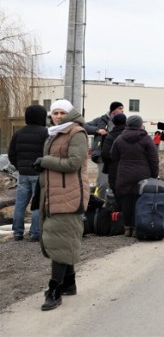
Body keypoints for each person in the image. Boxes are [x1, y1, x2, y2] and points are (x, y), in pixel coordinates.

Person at [36, 99, 90, 311]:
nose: (58, 116)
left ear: (69, 113)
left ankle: (54, 289)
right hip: (54, 193)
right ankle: (69, 283)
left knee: (59, 239)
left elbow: (73, 163)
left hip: (70, 194)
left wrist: (44, 161)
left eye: (61, 112)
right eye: (55, 112)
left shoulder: (76, 132)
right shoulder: (55, 133)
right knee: (63, 239)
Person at [110, 115, 159, 237]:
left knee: (126, 201)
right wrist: (154, 174)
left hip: (124, 174)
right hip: (142, 174)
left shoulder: (120, 139)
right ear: (139, 124)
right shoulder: (146, 138)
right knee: (140, 201)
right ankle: (137, 227)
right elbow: (154, 159)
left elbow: (113, 155)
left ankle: (127, 228)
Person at [8, 105, 48, 242]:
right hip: (39, 173)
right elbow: (48, 153)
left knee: (20, 204)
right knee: (37, 203)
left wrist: (19, 166)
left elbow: (11, 154)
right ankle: (35, 233)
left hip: (23, 173)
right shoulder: (45, 133)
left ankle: (17, 232)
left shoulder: (18, 133)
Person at [85, 101, 125, 195]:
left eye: (123, 109)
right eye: (120, 108)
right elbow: (84, 126)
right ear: (113, 110)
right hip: (103, 155)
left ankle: (114, 205)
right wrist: (98, 130)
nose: (122, 111)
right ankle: (101, 203)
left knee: (119, 182)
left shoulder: (124, 121)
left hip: (119, 156)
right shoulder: (101, 120)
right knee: (103, 183)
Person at [100, 113, 127, 198]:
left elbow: (105, 154)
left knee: (117, 195)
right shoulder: (131, 134)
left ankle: (118, 210)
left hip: (115, 170)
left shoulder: (111, 136)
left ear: (114, 123)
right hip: (131, 169)